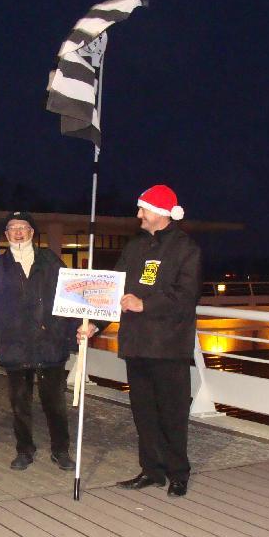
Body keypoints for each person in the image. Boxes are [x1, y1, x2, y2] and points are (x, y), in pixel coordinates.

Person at [79, 184, 202, 497]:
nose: (138, 215)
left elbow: (185, 296)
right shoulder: (133, 247)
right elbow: (113, 290)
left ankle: (178, 473)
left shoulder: (186, 248)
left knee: (172, 414)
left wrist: (145, 304)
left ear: (160, 213)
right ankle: (151, 470)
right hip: (136, 345)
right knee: (144, 412)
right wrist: (95, 324)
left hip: (169, 347)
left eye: (143, 209)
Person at [0, 211, 76, 471]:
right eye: (12, 228)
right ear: (6, 234)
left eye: (23, 227)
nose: (18, 232)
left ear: (32, 233)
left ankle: (61, 450)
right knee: (19, 403)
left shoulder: (51, 262)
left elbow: (71, 297)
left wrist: (74, 331)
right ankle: (24, 449)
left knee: (55, 403)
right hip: (15, 345)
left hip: (49, 343)